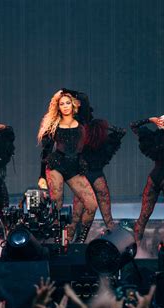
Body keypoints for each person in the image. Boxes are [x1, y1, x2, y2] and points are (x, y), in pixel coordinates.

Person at [37, 90, 98, 243]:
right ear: (57, 107)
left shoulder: (82, 120)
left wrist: (65, 90)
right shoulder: (54, 125)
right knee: (57, 202)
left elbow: (84, 97)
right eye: (61, 104)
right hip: (56, 164)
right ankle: (58, 239)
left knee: (92, 204)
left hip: (75, 166)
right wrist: (42, 176)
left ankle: (79, 239)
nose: (65, 106)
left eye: (67, 103)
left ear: (73, 105)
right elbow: (46, 152)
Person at [70, 118, 126, 241]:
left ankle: (74, 244)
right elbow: (122, 131)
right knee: (108, 219)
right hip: (98, 178)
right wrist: (104, 126)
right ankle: (116, 243)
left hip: (83, 180)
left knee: (76, 218)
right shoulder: (104, 144)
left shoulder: (80, 143)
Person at [130, 114, 164, 243]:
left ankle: (135, 246)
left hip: (154, 177)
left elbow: (134, 125)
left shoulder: (155, 138)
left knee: (144, 215)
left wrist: (150, 119)